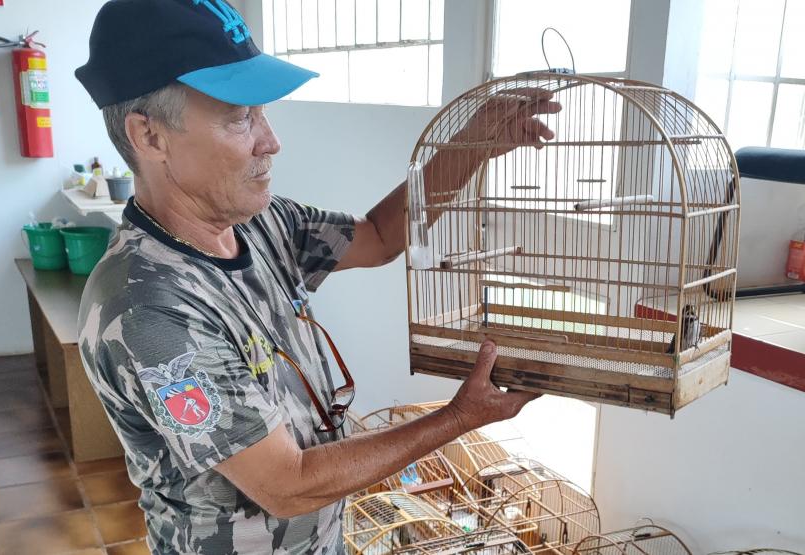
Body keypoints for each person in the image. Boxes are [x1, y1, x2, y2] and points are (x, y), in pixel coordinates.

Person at [75, 0, 560, 553]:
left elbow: (380, 236)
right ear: (150, 136)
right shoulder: (147, 310)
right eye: (239, 117)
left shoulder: (262, 223)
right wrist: (458, 418)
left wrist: (473, 145)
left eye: (262, 112)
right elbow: (288, 484)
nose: (270, 141)